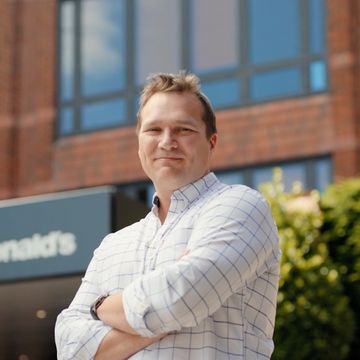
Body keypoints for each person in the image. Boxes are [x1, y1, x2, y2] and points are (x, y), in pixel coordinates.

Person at [55, 71, 280, 359]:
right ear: (139, 143)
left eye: (184, 130)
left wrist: (101, 307)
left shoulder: (240, 207)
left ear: (212, 142)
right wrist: (161, 315)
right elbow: (68, 347)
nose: (167, 141)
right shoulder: (112, 245)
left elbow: (181, 300)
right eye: (153, 130)